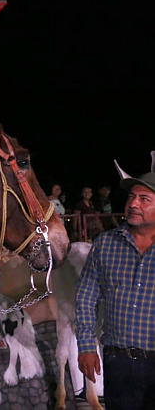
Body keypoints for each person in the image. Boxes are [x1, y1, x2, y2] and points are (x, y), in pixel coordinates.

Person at [75, 157, 155, 410]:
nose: (133, 204)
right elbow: (86, 297)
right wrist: (87, 346)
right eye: (132, 197)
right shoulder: (106, 244)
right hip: (118, 362)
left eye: (144, 199)